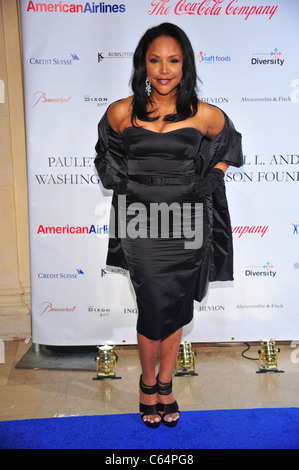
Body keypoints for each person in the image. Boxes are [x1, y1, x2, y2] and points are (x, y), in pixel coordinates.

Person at [95, 22, 243, 428]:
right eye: (155, 60)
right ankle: (147, 383)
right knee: (151, 307)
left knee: (175, 307)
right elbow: (105, 153)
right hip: (139, 221)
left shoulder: (206, 114)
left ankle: (166, 384)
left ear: (185, 64)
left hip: (188, 223)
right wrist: (125, 184)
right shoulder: (122, 111)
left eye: (173, 60)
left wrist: (209, 179)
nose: (164, 69)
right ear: (144, 64)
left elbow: (230, 146)